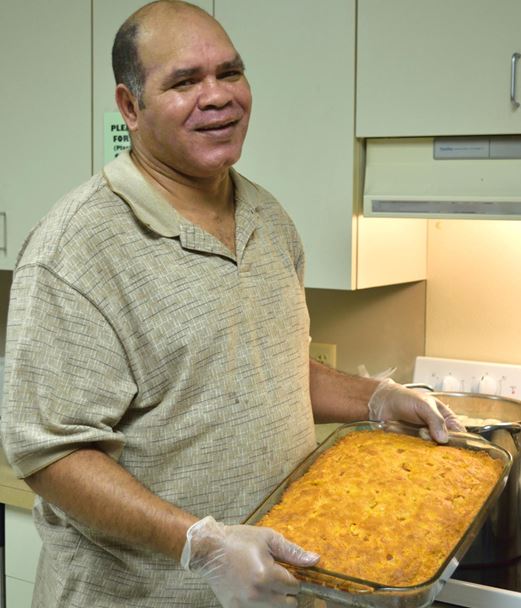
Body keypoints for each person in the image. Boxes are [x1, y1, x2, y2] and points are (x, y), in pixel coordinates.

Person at [0, 2, 464, 607]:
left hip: (275, 589)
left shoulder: (268, 219)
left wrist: (375, 399)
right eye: (185, 81)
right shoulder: (76, 249)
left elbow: (266, 370)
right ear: (129, 107)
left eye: (230, 73)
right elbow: (47, 452)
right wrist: (203, 543)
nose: (218, 97)